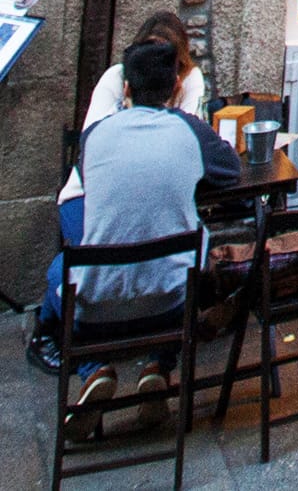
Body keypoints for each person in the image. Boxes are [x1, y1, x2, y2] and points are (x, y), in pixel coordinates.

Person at [54, 39, 240, 438]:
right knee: (184, 261)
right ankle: (158, 368)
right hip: (172, 309)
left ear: (125, 89)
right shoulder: (190, 131)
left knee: (59, 272)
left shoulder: (95, 138)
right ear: (176, 87)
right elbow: (231, 171)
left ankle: (95, 369)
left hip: (96, 313)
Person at [28, 11, 206, 375]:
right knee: (92, 256)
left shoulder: (190, 82)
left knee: (141, 256)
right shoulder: (116, 80)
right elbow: (94, 144)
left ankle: (148, 360)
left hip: (149, 190)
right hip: (90, 193)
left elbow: (192, 130)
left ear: (178, 67)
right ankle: (74, 350)